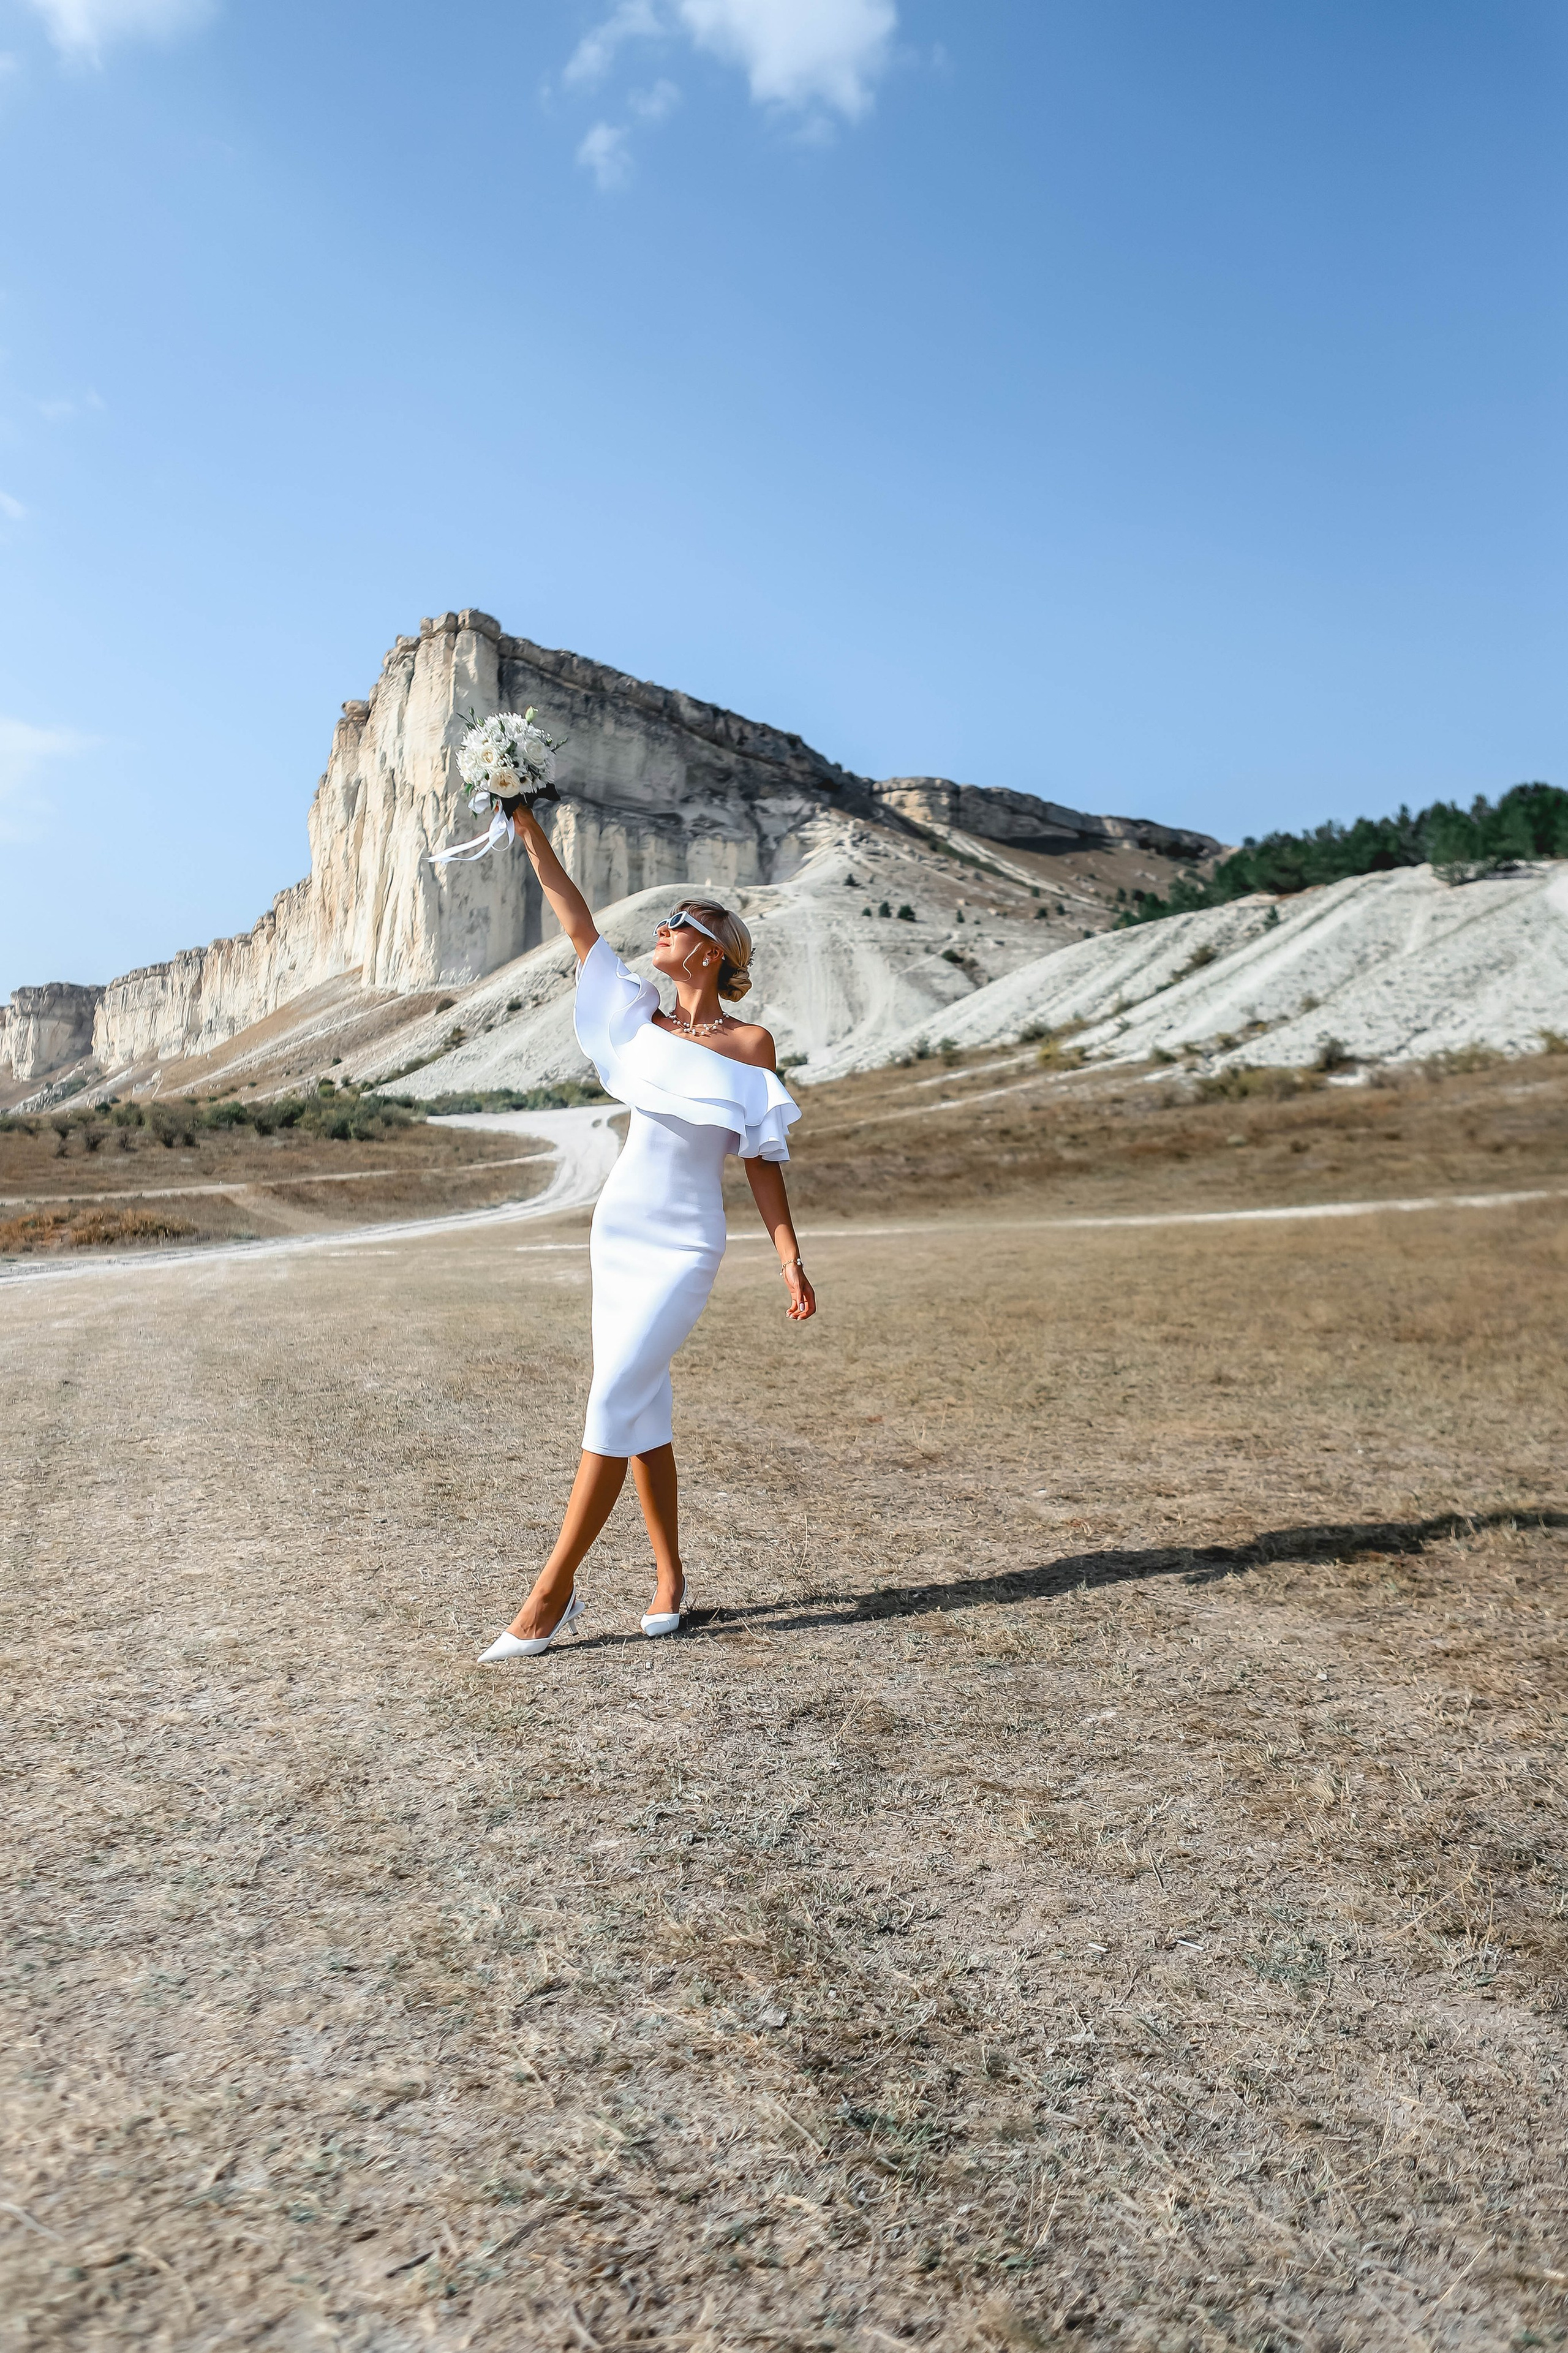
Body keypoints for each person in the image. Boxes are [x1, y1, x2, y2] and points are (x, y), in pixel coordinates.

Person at [478, 803, 816, 1661]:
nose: (658, 931)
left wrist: (789, 1256)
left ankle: (551, 1593)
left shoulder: (749, 1044)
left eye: (673, 925)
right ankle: (669, 1579)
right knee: (640, 1399)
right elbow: (575, 916)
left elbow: (760, 1157)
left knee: (613, 1396)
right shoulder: (640, 1019)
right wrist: (526, 827)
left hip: (686, 1240)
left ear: (709, 948)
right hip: (619, 1226)